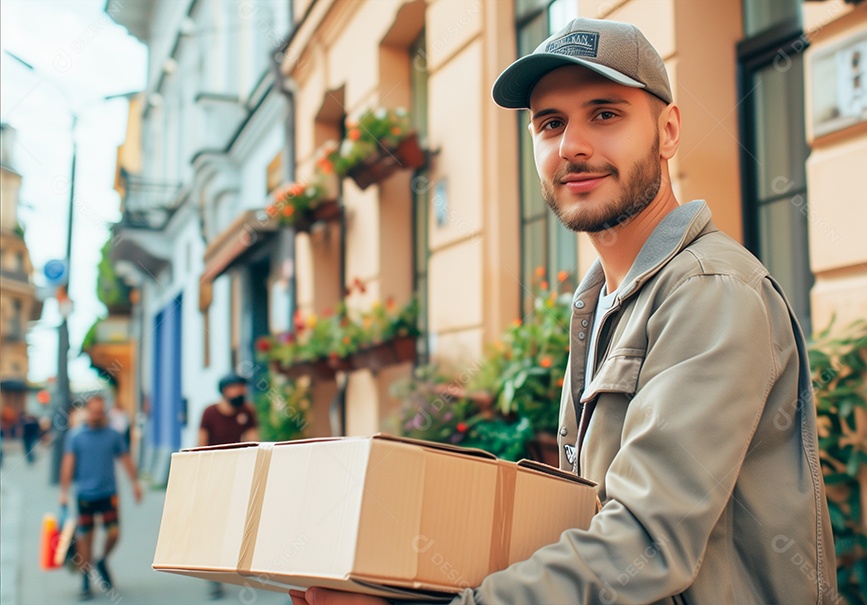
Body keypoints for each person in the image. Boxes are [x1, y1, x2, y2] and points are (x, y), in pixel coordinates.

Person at [289, 18, 836, 605]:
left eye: (605, 114)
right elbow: (592, 520)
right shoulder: (599, 298)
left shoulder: (710, 291)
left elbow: (645, 544)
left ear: (668, 130)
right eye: (550, 123)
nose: (572, 146)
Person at [59, 394, 142, 601]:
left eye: (100, 411)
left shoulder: (112, 435)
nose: (97, 415)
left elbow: (125, 458)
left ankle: (102, 559)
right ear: (87, 410)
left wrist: (135, 483)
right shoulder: (76, 436)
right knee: (86, 537)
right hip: (85, 495)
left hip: (108, 494)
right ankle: (85, 579)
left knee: (114, 534)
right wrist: (64, 492)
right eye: (94, 411)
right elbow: (68, 464)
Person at [199, 372, 259, 599]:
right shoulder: (210, 413)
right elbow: (201, 444)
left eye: (243, 388)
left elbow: (254, 440)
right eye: (236, 388)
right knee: (214, 526)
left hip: (239, 475)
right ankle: (212, 576)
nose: (241, 393)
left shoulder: (247, 412)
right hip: (215, 476)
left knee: (237, 525)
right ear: (224, 391)